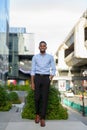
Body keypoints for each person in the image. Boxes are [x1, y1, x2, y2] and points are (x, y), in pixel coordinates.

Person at [31, 41, 56, 127]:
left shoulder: (50, 57)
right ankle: (37, 114)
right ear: (39, 47)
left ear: (46, 47)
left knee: (44, 99)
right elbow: (32, 71)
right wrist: (32, 82)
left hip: (46, 78)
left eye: (44, 46)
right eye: (41, 46)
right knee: (37, 98)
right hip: (37, 78)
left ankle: (42, 118)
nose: (42, 47)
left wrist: (50, 78)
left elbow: (53, 69)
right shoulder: (35, 57)